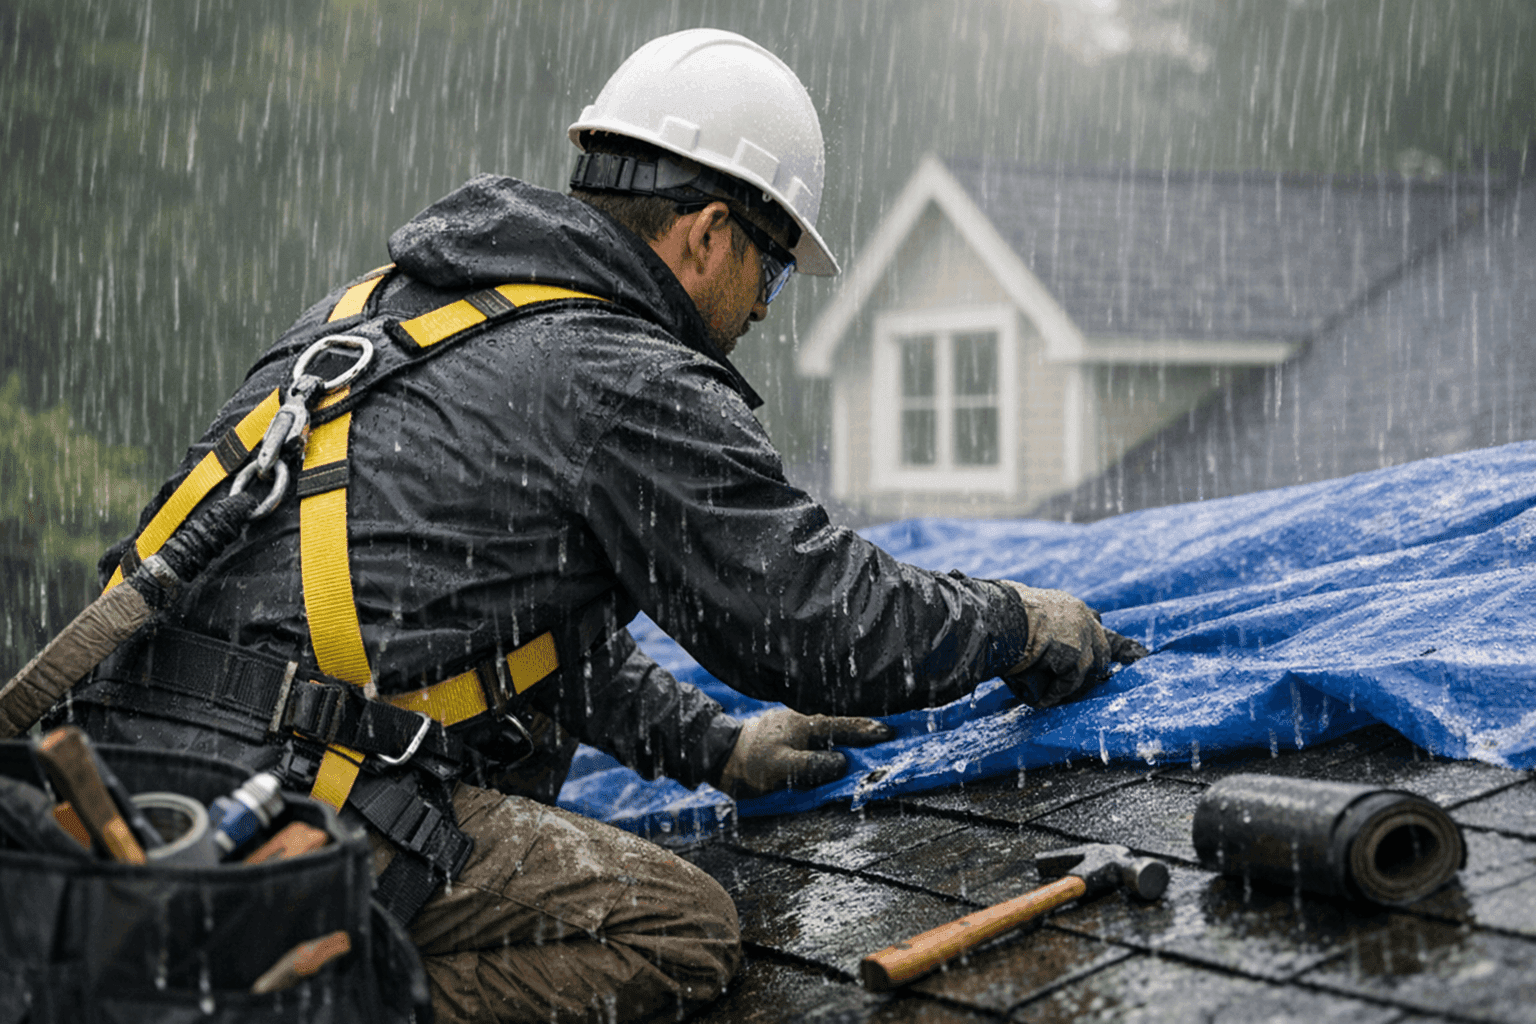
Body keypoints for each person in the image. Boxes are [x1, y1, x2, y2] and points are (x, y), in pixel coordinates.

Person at [55, 28, 1144, 1024]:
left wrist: (717, 746)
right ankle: (272, 998)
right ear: (713, 234)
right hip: (275, 819)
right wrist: (1012, 621)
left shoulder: (392, 311)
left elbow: (509, 630)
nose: (766, 306)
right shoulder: (618, 369)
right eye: (771, 267)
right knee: (677, 927)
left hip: (118, 778)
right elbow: (814, 616)